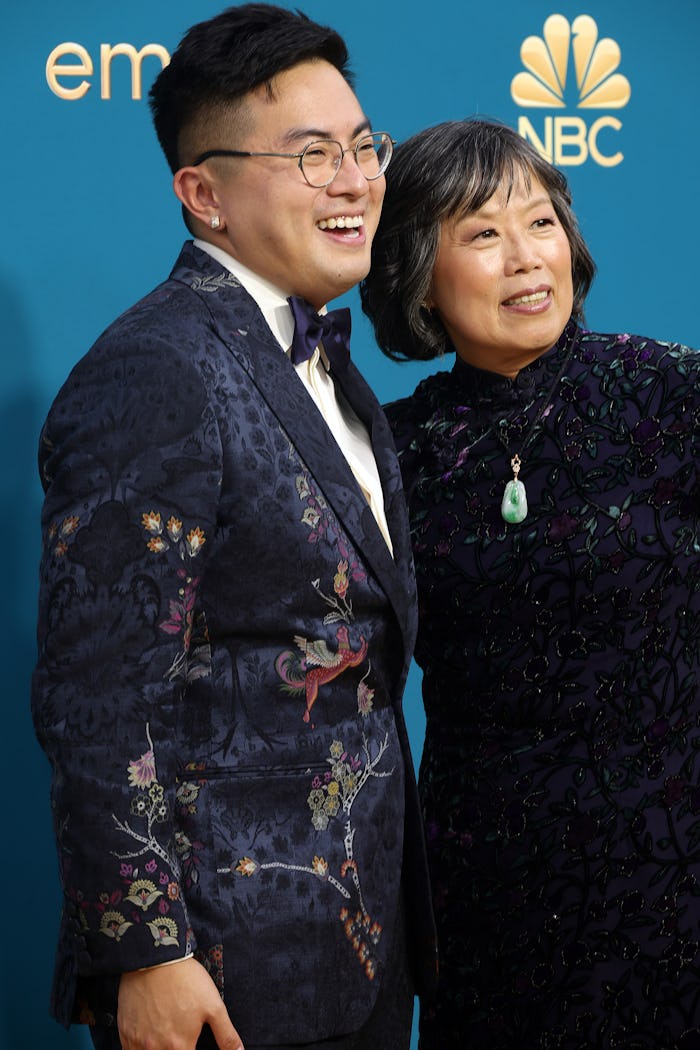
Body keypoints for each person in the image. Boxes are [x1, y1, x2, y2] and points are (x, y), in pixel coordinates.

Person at [31, 6, 438, 1049]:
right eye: (310, 156)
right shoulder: (159, 368)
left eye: (362, 146)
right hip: (222, 967)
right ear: (202, 195)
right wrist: (145, 952)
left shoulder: (333, 368)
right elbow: (99, 700)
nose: (354, 181)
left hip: (357, 947)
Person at [361, 116, 700, 1049]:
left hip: (669, 879)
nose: (525, 259)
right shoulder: (388, 448)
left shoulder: (669, 397)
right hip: (487, 891)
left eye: (541, 223)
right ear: (417, 272)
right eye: (481, 233)